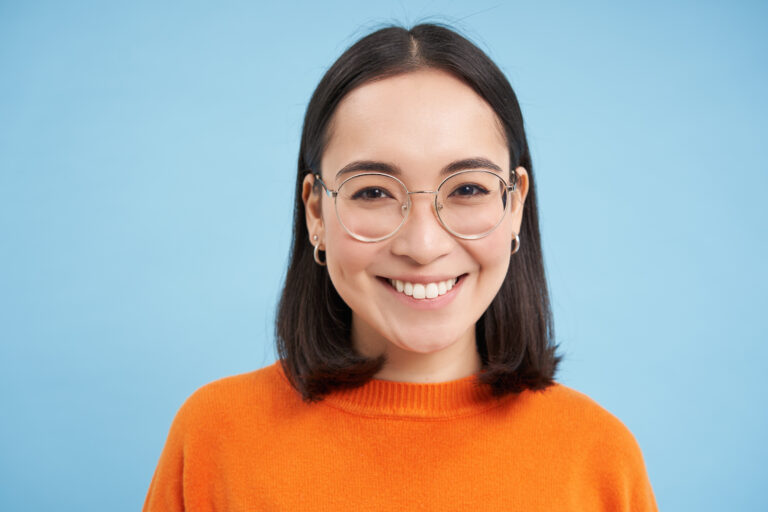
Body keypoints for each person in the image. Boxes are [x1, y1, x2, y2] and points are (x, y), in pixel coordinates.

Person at [143, 23, 658, 511]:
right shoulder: (215, 436)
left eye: (468, 190)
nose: (423, 244)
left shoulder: (599, 457)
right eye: (372, 192)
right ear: (316, 213)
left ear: (515, 205)